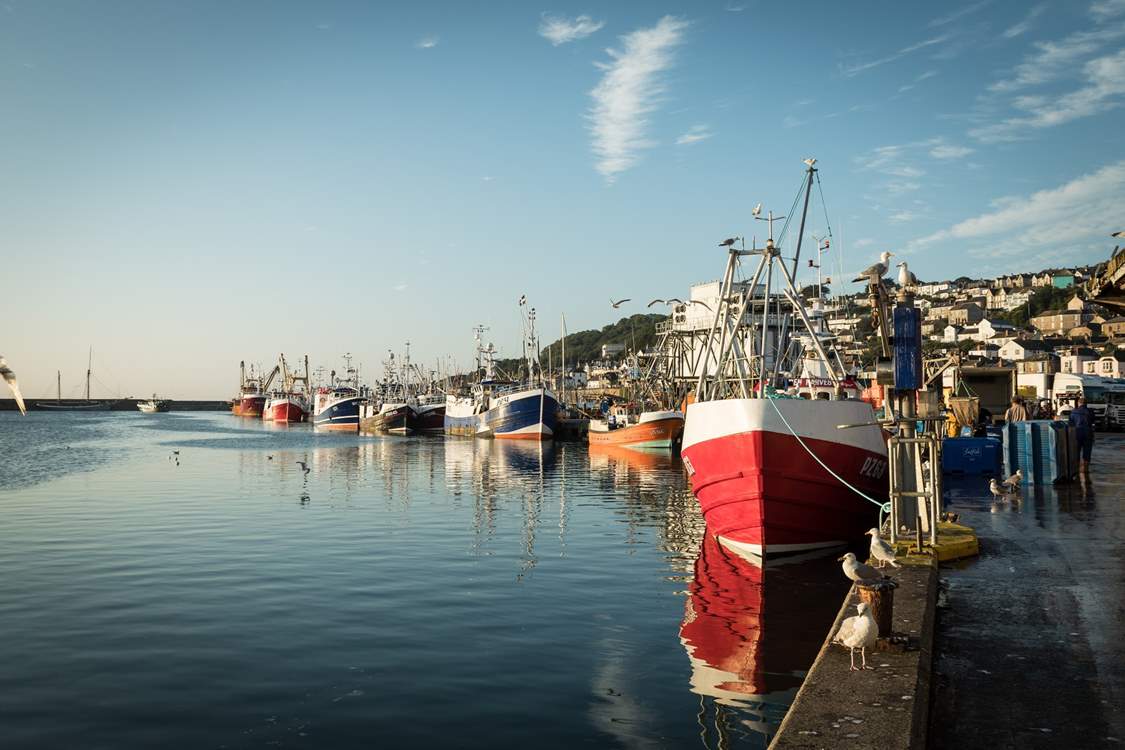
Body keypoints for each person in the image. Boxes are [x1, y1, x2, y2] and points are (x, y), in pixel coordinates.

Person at [1068, 397, 1095, 472]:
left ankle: (1076, 468)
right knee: (1087, 451)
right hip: (1088, 433)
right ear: (1086, 404)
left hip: (1077, 433)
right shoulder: (1090, 411)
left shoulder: (1073, 411)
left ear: (1078, 403)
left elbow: (1070, 423)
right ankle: (1085, 469)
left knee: (1076, 451)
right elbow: (1092, 421)